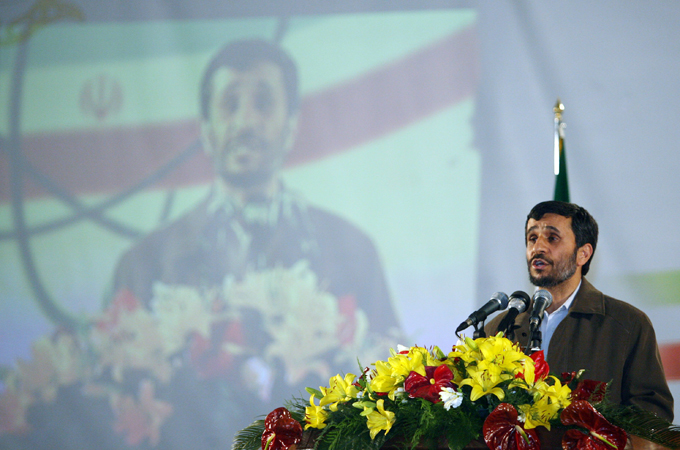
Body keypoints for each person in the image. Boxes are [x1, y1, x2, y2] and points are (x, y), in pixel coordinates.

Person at [108, 39, 402, 448]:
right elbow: (114, 406)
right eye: (229, 104)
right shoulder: (146, 263)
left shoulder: (352, 251)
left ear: (292, 125)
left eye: (263, 103)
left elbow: (393, 388)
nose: (246, 122)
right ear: (205, 129)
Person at [485, 200, 674, 422]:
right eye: (532, 238)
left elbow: (652, 412)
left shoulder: (627, 324)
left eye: (552, 238)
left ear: (583, 254)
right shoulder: (500, 328)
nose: (538, 248)